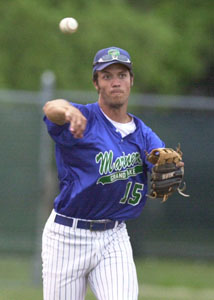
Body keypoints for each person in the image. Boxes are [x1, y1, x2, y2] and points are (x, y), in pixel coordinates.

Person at [42, 46, 165, 300]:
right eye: (107, 76)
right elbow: (50, 107)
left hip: (113, 236)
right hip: (67, 236)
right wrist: (68, 110)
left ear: (131, 80)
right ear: (96, 83)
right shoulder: (82, 118)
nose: (115, 82)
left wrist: (168, 168)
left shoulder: (143, 134)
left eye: (121, 74)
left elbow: (162, 160)